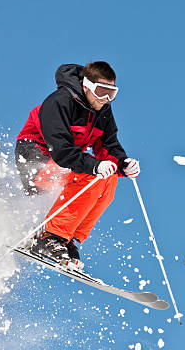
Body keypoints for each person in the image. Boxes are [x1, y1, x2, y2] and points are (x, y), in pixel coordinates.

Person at [14, 62, 140, 269]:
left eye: (112, 93)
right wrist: (94, 166)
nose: (106, 99)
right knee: (91, 175)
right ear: (87, 86)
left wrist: (123, 163)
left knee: (108, 179)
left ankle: (66, 238)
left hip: (65, 162)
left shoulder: (102, 111)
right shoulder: (60, 102)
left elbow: (108, 144)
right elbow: (61, 149)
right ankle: (49, 236)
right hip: (35, 159)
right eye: (101, 92)